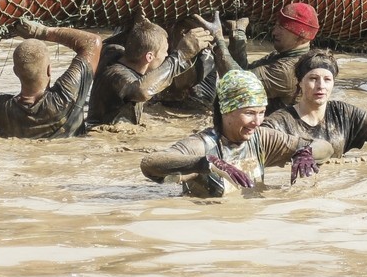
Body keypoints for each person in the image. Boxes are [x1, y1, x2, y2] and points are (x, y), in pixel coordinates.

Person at [140, 70, 334, 198]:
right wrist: (206, 163)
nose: (257, 122)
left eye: (261, 112)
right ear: (226, 111)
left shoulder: (263, 138)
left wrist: (306, 151)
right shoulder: (203, 145)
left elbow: (326, 147)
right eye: (249, 113)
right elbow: (150, 164)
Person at [0, 20, 101, 138]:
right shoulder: (65, 97)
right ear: (49, 69)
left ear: (15, 72)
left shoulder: (2, 109)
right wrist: (43, 32)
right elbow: (93, 43)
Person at [86, 15, 213, 127]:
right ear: (149, 57)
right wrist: (180, 56)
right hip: (109, 138)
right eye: (165, 52)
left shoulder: (111, 53)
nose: (166, 57)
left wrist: (139, 25)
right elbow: (143, 91)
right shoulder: (119, 76)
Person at [224, 2, 320, 115]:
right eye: (276, 25)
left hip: (276, 130)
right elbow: (244, 71)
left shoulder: (287, 70)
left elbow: (236, 84)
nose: (274, 32)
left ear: (301, 37)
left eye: (282, 28)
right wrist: (237, 37)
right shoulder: (280, 55)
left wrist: (219, 41)